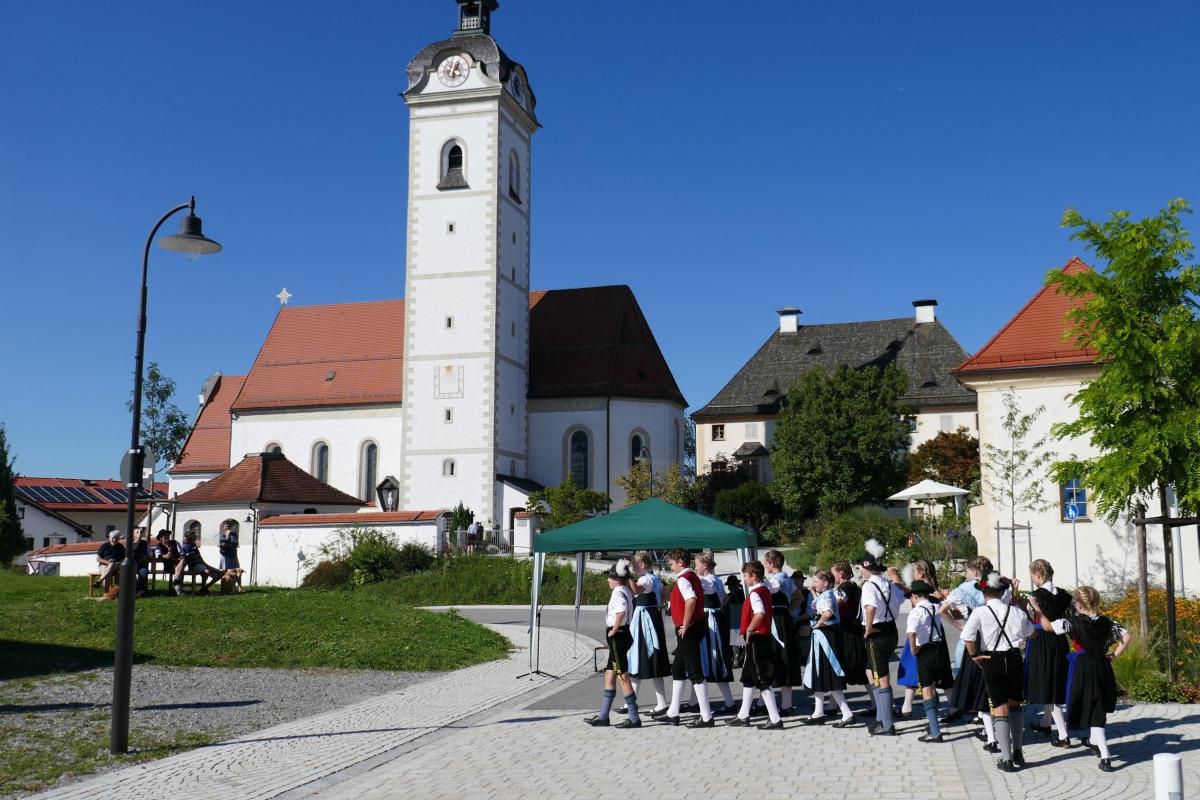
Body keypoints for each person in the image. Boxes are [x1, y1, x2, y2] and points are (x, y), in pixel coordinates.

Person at [1029, 586, 1129, 772]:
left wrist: (1037, 608)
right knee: (1098, 708)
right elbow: (1126, 635)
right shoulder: (1106, 621)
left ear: (1079, 603)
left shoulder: (1072, 622)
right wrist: (1113, 656)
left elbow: (1047, 626)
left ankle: (1105, 756)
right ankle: (1093, 741)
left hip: (1083, 667)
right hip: (1102, 666)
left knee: (1092, 708)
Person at [962, 571, 1036, 773]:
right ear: (1002, 592)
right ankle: (1018, 750)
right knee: (1015, 705)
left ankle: (1006, 758)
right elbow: (1033, 632)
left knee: (1000, 707)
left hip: (992, 659)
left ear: (985, 594)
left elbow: (967, 637)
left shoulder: (980, 612)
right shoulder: (1016, 612)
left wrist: (975, 656)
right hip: (1014, 659)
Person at [726, 560, 784, 730]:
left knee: (761, 678)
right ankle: (743, 715)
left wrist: (750, 629)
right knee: (749, 678)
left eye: (745, 576)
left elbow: (760, 613)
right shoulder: (764, 590)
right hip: (760, 638)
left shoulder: (755, 593)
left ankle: (775, 718)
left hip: (757, 638)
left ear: (754, 576)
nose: (743, 579)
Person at [661, 548, 715, 727]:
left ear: (680, 562)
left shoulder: (684, 579)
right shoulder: (693, 577)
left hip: (689, 628)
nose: (670, 565)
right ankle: (673, 712)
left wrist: (685, 623)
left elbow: (691, 600)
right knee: (678, 668)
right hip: (695, 625)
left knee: (694, 670)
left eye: (671, 562)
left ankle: (706, 716)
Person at [1021, 559, 1072, 746]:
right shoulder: (1065, 595)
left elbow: (1032, 617)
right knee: (1053, 681)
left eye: (1033, 576)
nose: (1033, 580)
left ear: (1039, 575)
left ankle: (1063, 736)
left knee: (1048, 686)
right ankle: (1044, 723)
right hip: (1059, 640)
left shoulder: (1037, 596)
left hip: (1041, 640)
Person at [940, 556, 992, 739]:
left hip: (975, 636)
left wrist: (960, 627)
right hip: (995, 636)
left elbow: (942, 610)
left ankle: (981, 715)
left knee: (972, 675)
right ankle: (984, 715)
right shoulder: (996, 583)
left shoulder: (965, 588)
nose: (966, 573)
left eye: (968, 570)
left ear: (975, 571)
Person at [585, 559, 641, 728]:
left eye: (609, 578)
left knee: (622, 676)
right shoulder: (626, 590)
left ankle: (634, 717)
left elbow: (621, 612)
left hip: (618, 637)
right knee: (610, 675)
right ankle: (603, 716)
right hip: (623, 636)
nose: (607, 581)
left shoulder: (618, 592)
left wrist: (614, 630)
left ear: (616, 579)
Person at [860, 538, 903, 735]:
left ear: (866, 567)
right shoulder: (889, 585)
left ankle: (887, 724)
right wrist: (895, 576)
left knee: (881, 677)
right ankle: (880, 716)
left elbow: (870, 608)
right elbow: (901, 594)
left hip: (876, 631)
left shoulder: (869, 586)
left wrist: (868, 629)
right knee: (871, 670)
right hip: (891, 629)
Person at [802, 569, 855, 727]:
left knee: (830, 674)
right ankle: (818, 712)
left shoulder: (826, 596)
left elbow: (827, 612)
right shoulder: (828, 594)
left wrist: (818, 624)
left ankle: (847, 713)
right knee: (820, 674)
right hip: (825, 637)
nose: (814, 584)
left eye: (816, 581)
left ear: (825, 583)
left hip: (825, 639)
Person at [906, 579, 953, 743]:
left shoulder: (916, 611)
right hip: (939, 648)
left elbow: (911, 633)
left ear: (915, 596)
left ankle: (935, 731)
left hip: (925, 650)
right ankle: (935, 725)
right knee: (935, 686)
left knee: (927, 689)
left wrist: (913, 649)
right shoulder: (935, 607)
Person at [895, 560, 943, 719]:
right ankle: (908, 706)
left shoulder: (923, 590)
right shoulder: (932, 589)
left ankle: (909, 707)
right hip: (933, 633)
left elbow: (908, 592)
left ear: (921, 574)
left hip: (919, 633)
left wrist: (895, 579)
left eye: (914, 572)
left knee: (915, 669)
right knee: (925, 673)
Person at [629, 551, 670, 715]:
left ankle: (658, 703)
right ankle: (631, 700)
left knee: (643, 658)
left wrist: (626, 577)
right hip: (650, 618)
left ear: (643, 565)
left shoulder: (646, 579)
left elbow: (636, 590)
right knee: (639, 659)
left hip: (645, 621)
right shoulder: (656, 579)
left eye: (635, 565)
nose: (633, 567)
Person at [695, 551, 736, 713]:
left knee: (714, 657)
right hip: (713, 616)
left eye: (697, 564)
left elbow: (699, 586)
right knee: (704, 658)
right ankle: (695, 701)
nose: (695, 567)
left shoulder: (708, 581)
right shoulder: (717, 580)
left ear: (704, 566)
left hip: (710, 620)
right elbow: (725, 598)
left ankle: (730, 701)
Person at [762, 550, 799, 714]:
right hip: (785, 619)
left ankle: (774, 703)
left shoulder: (774, 580)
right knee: (786, 657)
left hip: (775, 621)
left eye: (765, 562)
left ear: (772, 563)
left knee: (773, 658)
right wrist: (789, 611)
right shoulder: (788, 579)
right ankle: (786, 703)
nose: (764, 565)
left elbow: (769, 592)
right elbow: (799, 598)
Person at [831, 560, 869, 705]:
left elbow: (839, 602)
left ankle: (835, 704)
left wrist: (824, 603)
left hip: (848, 630)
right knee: (857, 666)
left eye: (833, 573)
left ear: (840, 574)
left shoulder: (846, 587)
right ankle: (833, 704)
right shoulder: (853, 586)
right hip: (851, 628)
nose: (831, 576)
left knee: (846, 665)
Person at [173, 531, 224, 595]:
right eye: (194, 536)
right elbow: (190, 559)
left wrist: (209, 567)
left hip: (201, 565)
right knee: (207, 571)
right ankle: (204, 588)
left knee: (219, 574)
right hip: (193, 566)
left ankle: (204, 588)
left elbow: (200, 559)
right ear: (190, 538)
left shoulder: (194, 545)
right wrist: (210, 567)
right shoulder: (186, 547)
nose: (196, 537)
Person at [131, 528, 151, 595]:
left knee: (144, 572)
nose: (139, 534)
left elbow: (150, 554)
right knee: (130, 574)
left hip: (142, 564)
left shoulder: (145, 543)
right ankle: (133, 589)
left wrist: (147, 557)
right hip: (132, 565)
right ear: (133, 535)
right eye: (137, 532)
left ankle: (142, 590)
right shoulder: (130, 543)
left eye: (140, 532)